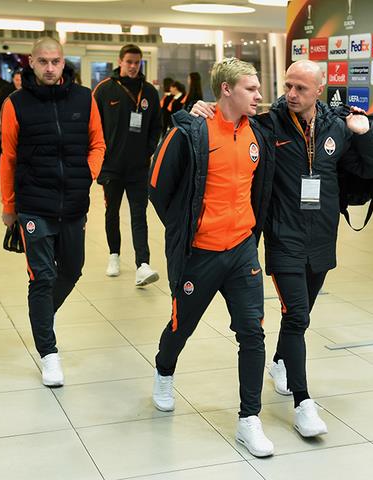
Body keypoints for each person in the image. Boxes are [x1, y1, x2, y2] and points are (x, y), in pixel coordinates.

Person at [191, 59, 373, 437]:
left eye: (301, 88)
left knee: (302, 313)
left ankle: (281, 360)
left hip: (322, 235)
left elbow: (371, 168)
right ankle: (303, 403)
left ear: (319, 90)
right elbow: (229, 119)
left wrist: (365, 134)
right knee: (296, 316)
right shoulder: (268, 124)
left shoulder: (336, 125)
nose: (291, 94)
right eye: (288, 86)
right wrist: (201, 109)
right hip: (284, 237)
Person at [148, 57, 276, 458]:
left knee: (252, 333)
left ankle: (249, 419)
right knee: (181, 326)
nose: (258, 95)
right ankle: (164, 371)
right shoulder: (191, 130)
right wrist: (185, 228)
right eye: (251, 88)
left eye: (258, 88)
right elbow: (157, 186)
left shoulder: (258, 133)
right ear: (226, 90)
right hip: (199, 253)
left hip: (241, 250)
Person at [0, 37, 105, 387]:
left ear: (63, 62)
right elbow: (8, 157)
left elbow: (98, 143)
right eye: (42, 61)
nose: (49, 67)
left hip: (74, 203)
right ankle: (49, 353)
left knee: (72, 270)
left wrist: (87, 173)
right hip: (34, 205)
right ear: (31, 62)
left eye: (55, 61)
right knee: (42, 277)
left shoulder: (83, 98)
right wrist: (9, 206)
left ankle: (41, 315)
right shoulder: (16, 103)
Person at [93, 44, 162, 286]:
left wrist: (148, 151)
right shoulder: (104, 90)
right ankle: (114, 255)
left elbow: (156, 126)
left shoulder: (149, 92)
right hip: (111, 166)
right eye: (129, 62)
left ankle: (142, 264)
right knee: (111, 212)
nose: (133, 66)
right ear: (120, 61)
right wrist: (98, 157)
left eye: (137, 62)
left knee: (139, 214)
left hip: (138, 168)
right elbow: (93, 126)